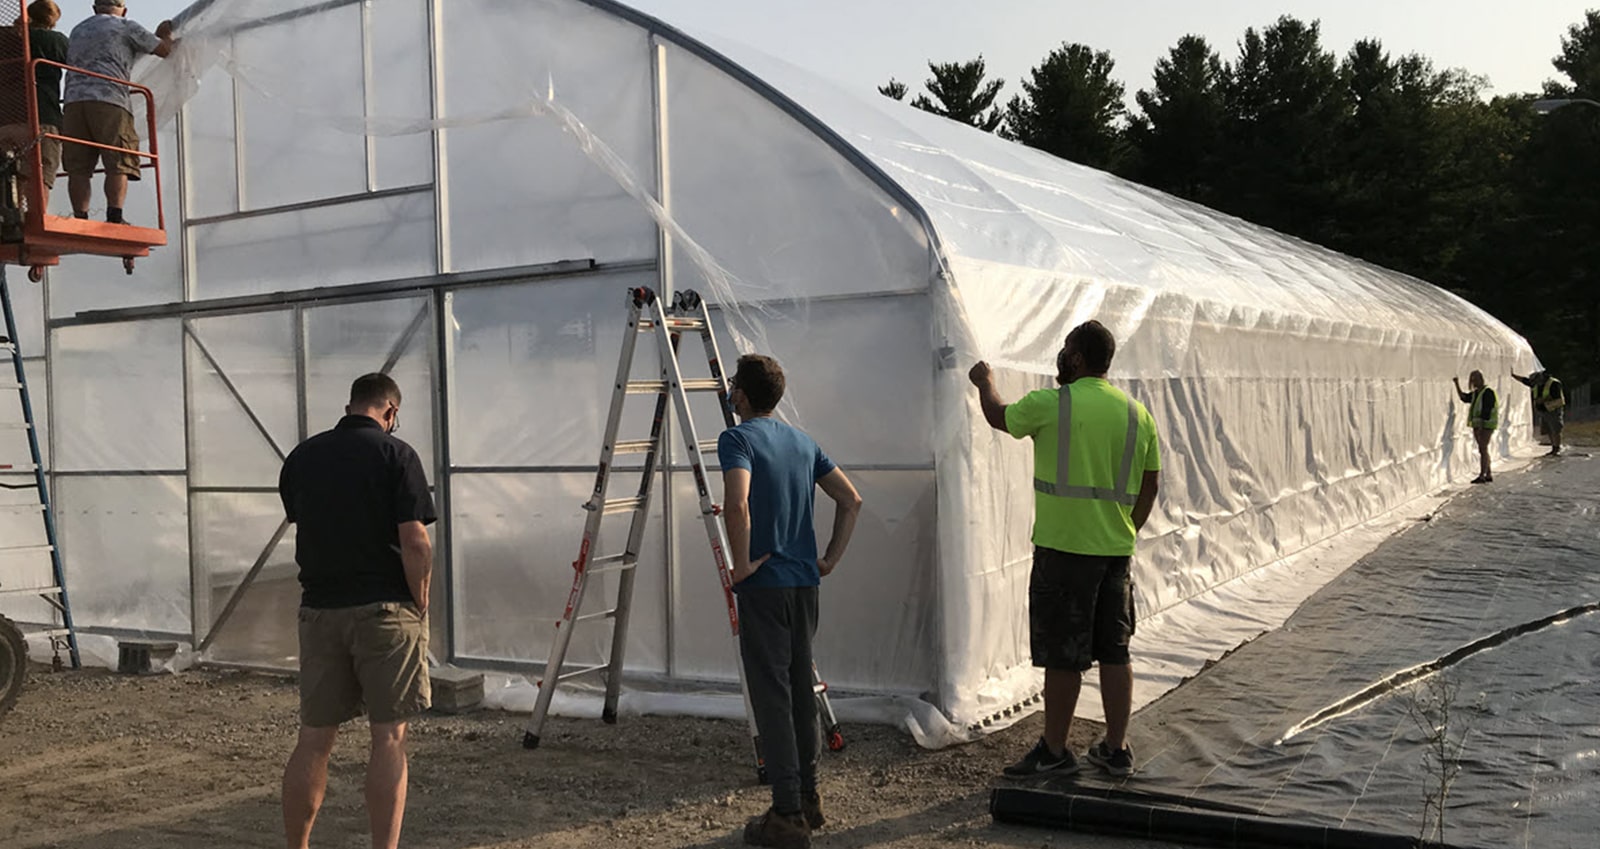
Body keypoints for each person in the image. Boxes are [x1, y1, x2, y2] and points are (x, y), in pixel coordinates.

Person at [969, 320, 1160, 780]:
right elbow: (1150, 485)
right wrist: (1124, 529)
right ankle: (1116, 748)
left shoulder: (1053, 404)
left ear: (1076, 358)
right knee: (1115, 650)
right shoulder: (1137, 414)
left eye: (1066, 349)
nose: (1061, 356)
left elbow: (999, 416)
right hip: (1116, 553)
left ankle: (1054, 749)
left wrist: (984, 382)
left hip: (1063, 553)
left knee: (1063, 655)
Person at [277, 373, 436, 849]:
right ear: (389, 411)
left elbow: (304, 520)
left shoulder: (303, 457)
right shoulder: (396, 454)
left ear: (351, 405)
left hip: (320, 610)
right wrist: (420, 599)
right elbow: (416, 541)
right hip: (384, 611)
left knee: (314, 740)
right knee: (388, 738)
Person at [719, 354, 862, 849]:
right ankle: (808, 798)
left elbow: (736, 503)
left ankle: (785, 815)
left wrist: (740, 565)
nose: (731, 392)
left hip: (766, 586)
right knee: (802, 690)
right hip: (805, 584)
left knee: (773, 696)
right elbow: (851, 499)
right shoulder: (803, 442)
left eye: (734, 385)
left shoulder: (737, 439)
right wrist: (828, 559)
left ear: (741, 394)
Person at [62, 0, 173, 224]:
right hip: (109, 99)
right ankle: (114, 216)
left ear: (94, 9)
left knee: (78, 167)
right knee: (118, 160)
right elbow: (164, 50)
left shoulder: (78, 29)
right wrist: (165, 33)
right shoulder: (126, 26)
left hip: (73, 102)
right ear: (124, 9)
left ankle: (80, 219)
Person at [17, 1, 67, 206]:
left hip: (9, 115)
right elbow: (80, 63)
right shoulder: (56, 40)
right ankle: (38, 214)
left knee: (13, 171)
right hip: (43, 113)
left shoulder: (14, 39)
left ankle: (14, 212)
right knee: (42, 169)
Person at [1454, 371, 1498, 483]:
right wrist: (1456, 384)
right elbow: (1464, 398)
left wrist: (1481, 427)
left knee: (1483, 448)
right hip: (1479, 425)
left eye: (1476, 379)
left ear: (1481, 379)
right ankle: (1488, 473)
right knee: (1483, 449)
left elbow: (1487, 410)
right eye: (1472, 380)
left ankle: (1482, 475)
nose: (1474, 382)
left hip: (1486, 425)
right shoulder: (1475, 394)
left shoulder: (1487, 392)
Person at [1512, 369, 1565, 456]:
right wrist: (1513, 375)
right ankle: (1553, 447)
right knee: (1548, 430)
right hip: (1543, 410)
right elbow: (1525, 381)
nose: (1534, 384)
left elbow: (1559, 399)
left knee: (1556, 429)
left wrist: (1544, 401)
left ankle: (1557, 448)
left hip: (1553, 410)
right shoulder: (1537, 383)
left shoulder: (1554, 383)